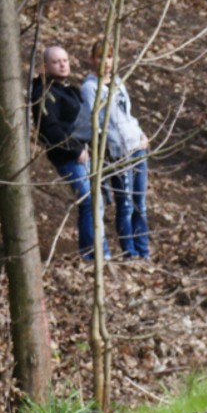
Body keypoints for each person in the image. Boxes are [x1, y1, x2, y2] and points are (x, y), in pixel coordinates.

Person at [29, 44, 108, 261]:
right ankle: (93, 255)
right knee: (89, 200)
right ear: (45, 66)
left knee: (96, 201)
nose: (63, 65)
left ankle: (99, 253)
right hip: (68, 156)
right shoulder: (45, 93)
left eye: (65, 60)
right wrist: (75, 150)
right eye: (56, 62)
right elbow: (50, 129)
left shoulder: (67, 89)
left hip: (84, 152)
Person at [83, 40, 151, 260]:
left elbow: (126, 114)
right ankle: (129, 252)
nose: (107, 63)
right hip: (117, 152)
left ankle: (143, 250)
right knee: (126, 204)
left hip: (137, 146)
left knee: (141, 202)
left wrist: (141, 133)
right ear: (93, 60)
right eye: (102, 58)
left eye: (110, 57)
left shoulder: (118, 82)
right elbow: (97, 122)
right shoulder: (90, 88)